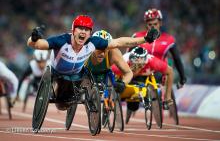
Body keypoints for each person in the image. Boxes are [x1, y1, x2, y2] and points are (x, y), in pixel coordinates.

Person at [27, 15, 159, 110]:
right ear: (73, 30)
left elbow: (119, 42)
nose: (83, 32)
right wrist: (33, 38)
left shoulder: (94, 43)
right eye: (80, 29)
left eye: (87, 30)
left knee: (63, 105)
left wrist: (146, 39)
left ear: (90, 33)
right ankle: (58, 90)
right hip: (57, 72)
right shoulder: (61, 40)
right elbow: (39, 45)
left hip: (77, 75)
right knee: (60, 101)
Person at [112, 47, 174, 123]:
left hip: (144, 77)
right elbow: (110, 73)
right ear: (131, 61)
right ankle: (130, 102)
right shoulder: (123, 62)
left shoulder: (152, 61)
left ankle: (141, 96)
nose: (138, 66)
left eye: (140, 65)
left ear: (145, 62)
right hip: (126, 77)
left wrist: (168, 96)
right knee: (132, 105)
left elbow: (170, 71)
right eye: (135, 64)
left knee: (134, 106)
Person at [131, 8, 186, 87]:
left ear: (160, 23)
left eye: (155, 24)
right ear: (146, 24)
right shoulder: (136, 36)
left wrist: (182, 78)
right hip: (140, 74)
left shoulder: (169, 39)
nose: (153, 27)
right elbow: (128, 56)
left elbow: (177, 59)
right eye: (150, 24)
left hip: (160, 75)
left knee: (167, 75)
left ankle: (168, 99)